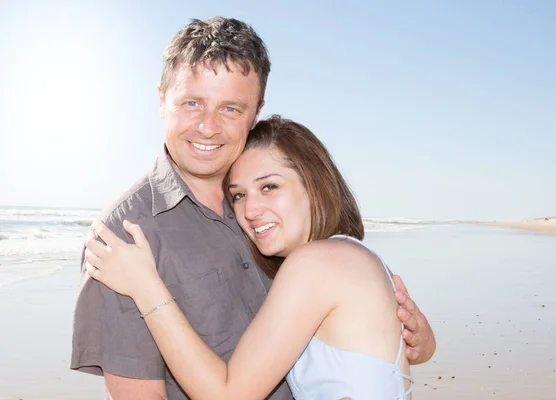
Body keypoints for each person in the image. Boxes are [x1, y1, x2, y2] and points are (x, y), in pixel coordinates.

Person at [71, 17, 435, 399]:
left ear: (255, 112)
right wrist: (417, 346)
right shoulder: (123, 240)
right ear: (161, 100)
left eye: (230, 108)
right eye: (192, 103)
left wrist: (415, 341)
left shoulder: (280, 225)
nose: (207, 127)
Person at [85, 115, 417, 399]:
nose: (251, 210)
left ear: (314, 184)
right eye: (239, 195)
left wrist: (147, 288)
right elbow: (402, 351)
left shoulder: (316, 264)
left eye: (269, 186)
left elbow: (228, 395)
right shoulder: (352, 255)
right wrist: (424, 343)